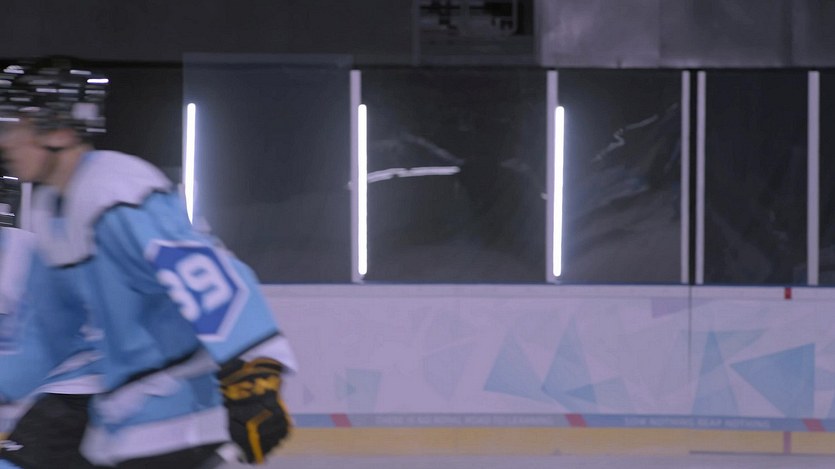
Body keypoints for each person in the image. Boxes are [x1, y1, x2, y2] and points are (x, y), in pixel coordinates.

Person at [0, 56, 296, 468]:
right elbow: (50, 332)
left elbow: (204, 273)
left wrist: (254, 372)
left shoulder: (115, 189)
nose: (5, 142)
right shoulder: (50, 211)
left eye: (14, 127)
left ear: (58, 130)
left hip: (185, 413)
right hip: (127, 423)